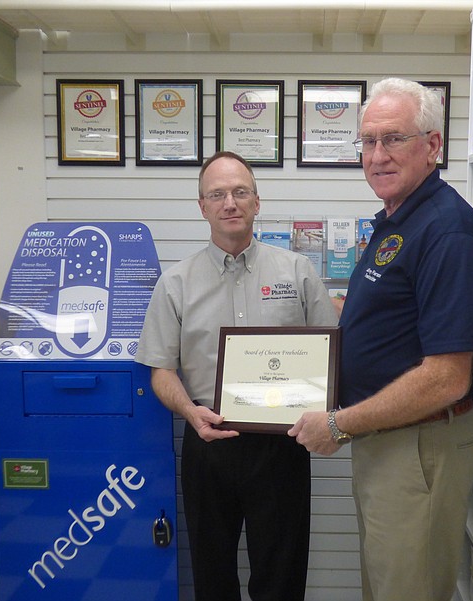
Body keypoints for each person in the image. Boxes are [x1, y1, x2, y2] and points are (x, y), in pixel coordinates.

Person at [289, 78, 473, 601]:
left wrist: (338, 423)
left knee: (409, 590)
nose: (377, 155)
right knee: (387, 585)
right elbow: (393, 318)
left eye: (393, 139)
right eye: (367, 141)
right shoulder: (399, 218)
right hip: (389, 441)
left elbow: (446, 378)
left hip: (418, 446)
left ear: (432, 146)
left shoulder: (447, 231)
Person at [136, 150, 337, 601]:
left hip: (283, 444)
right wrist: (189, 410)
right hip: (209, 441)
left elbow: (330, 354)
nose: (231, 202)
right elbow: (161, 371)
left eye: (240, 192)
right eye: (218, 194)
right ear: (202, 206)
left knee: (281, 575)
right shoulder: (176, 283)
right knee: (212, 575)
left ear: (257, 202)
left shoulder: (298, 272)